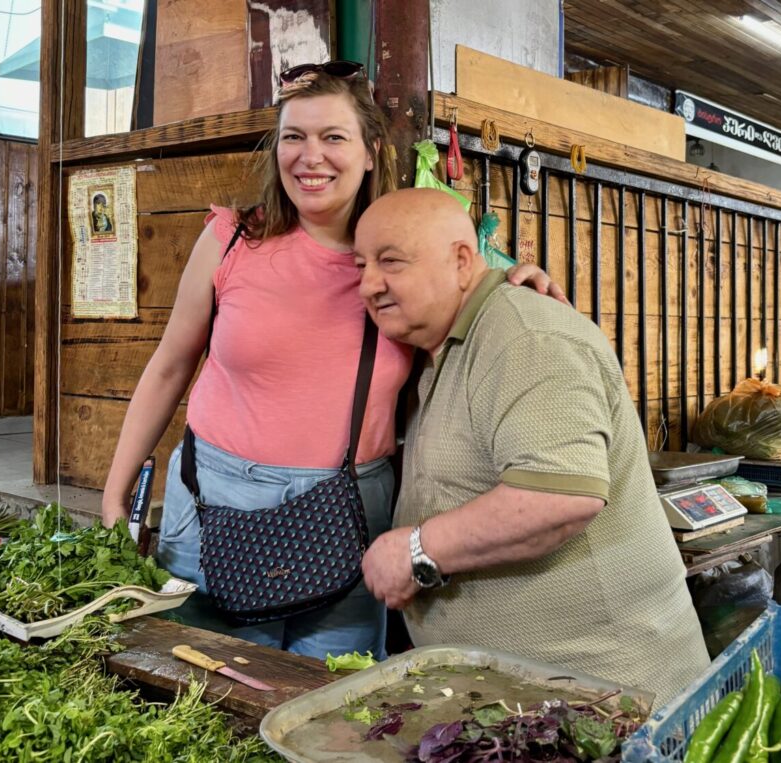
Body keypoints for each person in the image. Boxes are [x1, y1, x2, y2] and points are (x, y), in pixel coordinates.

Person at [100, 62, 560, 660]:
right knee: (198, 688)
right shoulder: (231, 240)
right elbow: (169, 367)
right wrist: (114, 499)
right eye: (294, 137)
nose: (309, 157)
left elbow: (478, 298)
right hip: (215, 500)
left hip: (347, 512)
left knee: (333, 699)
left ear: (370, 152)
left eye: (333, 138)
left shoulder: (407, 262)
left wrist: (518, 283)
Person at [354, 188, 711, 705]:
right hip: (529, 701)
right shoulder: (449, 340)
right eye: (360, 264)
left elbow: (558, 499)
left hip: (612, 700)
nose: (368, 284)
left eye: (391, 262)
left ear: (460, 260)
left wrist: (415, 551)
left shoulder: (526, 336)